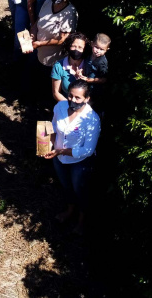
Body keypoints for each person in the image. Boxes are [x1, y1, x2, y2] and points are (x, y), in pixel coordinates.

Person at [43, 79, 100, 235]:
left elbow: (87, 150)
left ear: (87, 99)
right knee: (66, 186)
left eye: (78, 98)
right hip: (59, 157)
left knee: (80, 191)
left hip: (79, 162)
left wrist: (60, 151)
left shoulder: (92, 120)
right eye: (70, 96)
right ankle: (69, 211)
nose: (72, 100)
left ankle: (81, 222)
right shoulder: (60, 107)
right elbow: (53, 126)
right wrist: (47, 143)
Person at [30, 0, 78, 68]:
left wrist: (40, 43)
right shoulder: (47, 2)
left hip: (55, 61)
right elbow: (37, 23)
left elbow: (62, 40)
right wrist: (32, 37)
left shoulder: (70, 12)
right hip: (40, 55)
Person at [51, 33, 89, 102]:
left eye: (80, 47)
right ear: (69, 46)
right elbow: (56, 93)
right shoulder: (59, 66)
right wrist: (69, 106)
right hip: (66, 103)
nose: (76, 50)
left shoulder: (89, 65)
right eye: (74, 46)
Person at [81, 33, 110, 99]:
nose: (98, 51)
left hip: (94, 90)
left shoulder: (102, 62)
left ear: (106, 49)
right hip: (86, 86)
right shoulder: (88, 55)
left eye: (102, 49)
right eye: (96, 47)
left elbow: (104, 79)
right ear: (92, 44)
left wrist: (91, 80)